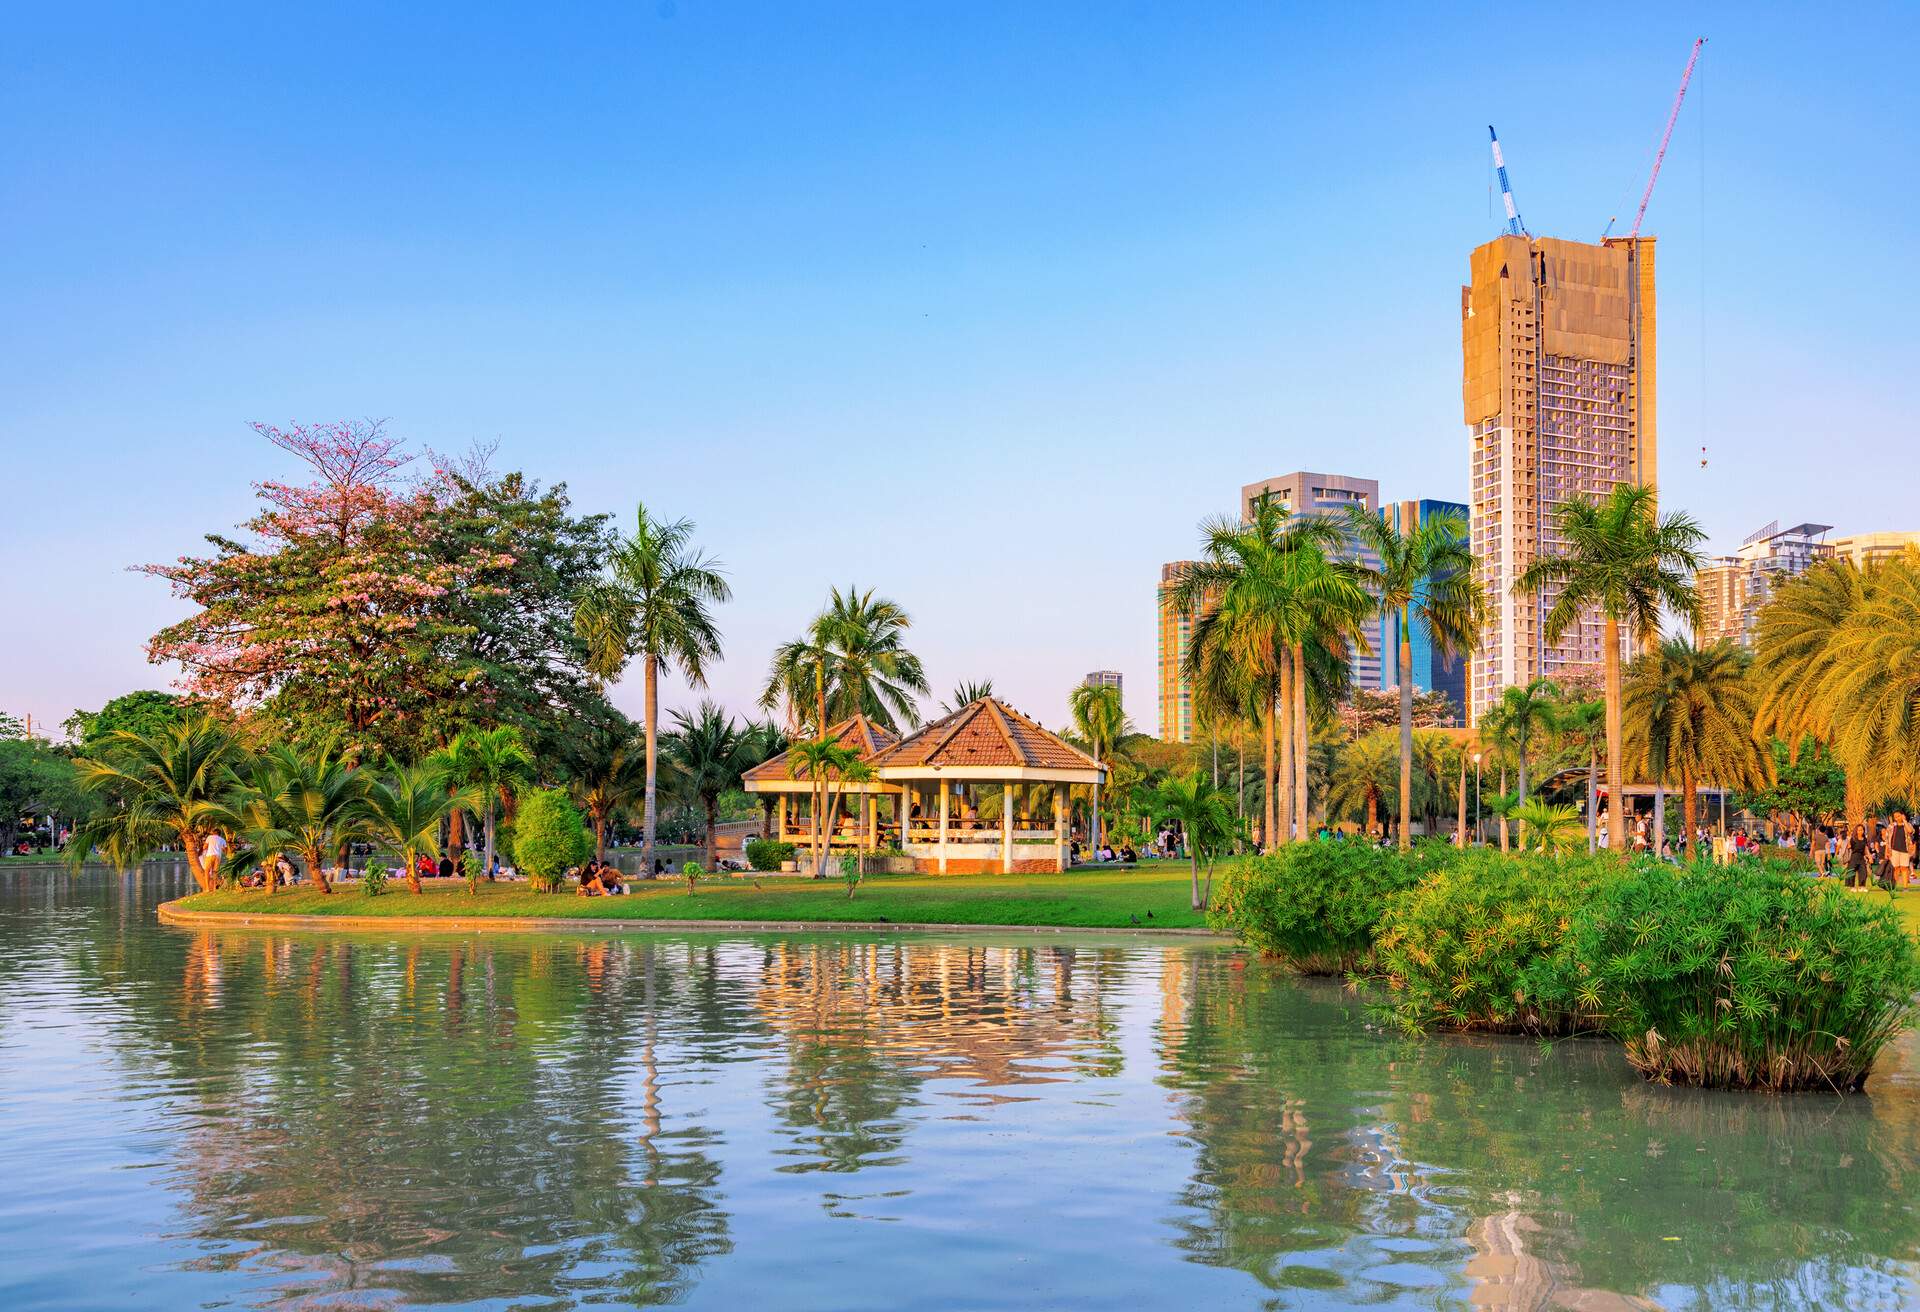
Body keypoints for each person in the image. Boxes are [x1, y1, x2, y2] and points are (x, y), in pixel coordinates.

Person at [1889, 812, 1912, 890]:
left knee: (1904, 868)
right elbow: (1887, 839)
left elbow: (1910, 831)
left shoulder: (1907, 825)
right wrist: (1888, 851)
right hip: (1894, 850)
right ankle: (1894, 887)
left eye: (1899, 816)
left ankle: (1905, 887)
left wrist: (1904, 821)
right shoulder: (1891, 826)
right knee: (1896, 868)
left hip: (1905, 850)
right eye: (1895, 817)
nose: (1897, 818)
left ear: (1902, 816)